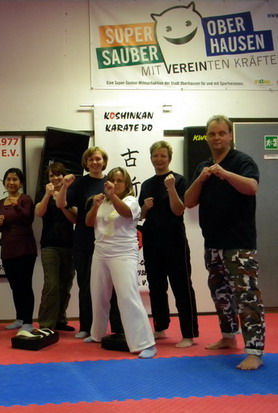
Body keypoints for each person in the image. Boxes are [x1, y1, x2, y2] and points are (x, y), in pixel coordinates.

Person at [185, 114, 265, 370]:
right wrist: (201, 178)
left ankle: (254, 351)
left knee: (246, 296)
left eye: (221, 133)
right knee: (220, 293)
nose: (217, 138)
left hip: (239, 242)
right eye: (212, 134)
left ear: (230, 135)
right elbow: (189, 201)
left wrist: (225, 173)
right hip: (213, 242)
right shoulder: (203, 167)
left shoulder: (242, 161)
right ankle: (229, 336)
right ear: (207, 137)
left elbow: (251, 187)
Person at [84, 167, 157, 359]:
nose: (115, 184)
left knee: (127, 297)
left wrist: (112, 196)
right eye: (112, 180)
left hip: (123, 253)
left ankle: (146, 343)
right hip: (101, 252)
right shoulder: (103, 200)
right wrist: (95, 205)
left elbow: (125, 213)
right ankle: (97, 334)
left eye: (119, 181)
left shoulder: (130, 200)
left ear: (126, 184)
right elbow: (89, 223)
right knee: (98, 295)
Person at [56, 147, 123, 339]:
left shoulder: (110, 183)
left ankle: (118, 327)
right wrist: (64, 187)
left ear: (104, 161)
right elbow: (61, 204)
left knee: (112, 286)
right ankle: (86, 326)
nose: (95, 162)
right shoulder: (79, 183)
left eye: (98, 159)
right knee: (86, 284)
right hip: (84, 241)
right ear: (86, 163)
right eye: (91, 160)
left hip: (108, 240)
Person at [139, 141, 199, 348]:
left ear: (169, 158)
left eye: (163, 155)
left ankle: (188, 334)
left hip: (174, 241)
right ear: (151, 158)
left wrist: (171, 188)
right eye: (155, 155)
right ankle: (160, 327)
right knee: (156, 287)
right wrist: (145, 208)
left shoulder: (179, 180)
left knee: (182, 286)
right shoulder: (147, 184)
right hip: (152, 241)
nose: (159, 159)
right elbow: (141, 216)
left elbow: (179, 210)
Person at [0, 167, 37, 333]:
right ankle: (20, 318)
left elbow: (28, 219)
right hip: (7, 249)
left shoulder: (25, 199)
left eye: (15, 179)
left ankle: (28, 321)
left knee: (25, 285)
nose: (11, 182)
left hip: (25, 249)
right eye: (8, 179)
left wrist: (16, 205)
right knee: (15, 286)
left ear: (21, 183)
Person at [35, 162, 76, 331]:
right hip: (49, 244)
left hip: (69, 244)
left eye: (58, 174)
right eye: (52, 175)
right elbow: (39, 212)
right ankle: (46, 323)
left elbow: (74, 218)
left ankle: (60, 319)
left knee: (65, 285)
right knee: (51, 285)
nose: (55, 178)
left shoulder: (71, 192)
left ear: (63, 176)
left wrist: (61, 202)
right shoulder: (42, 192)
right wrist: (47, 195)